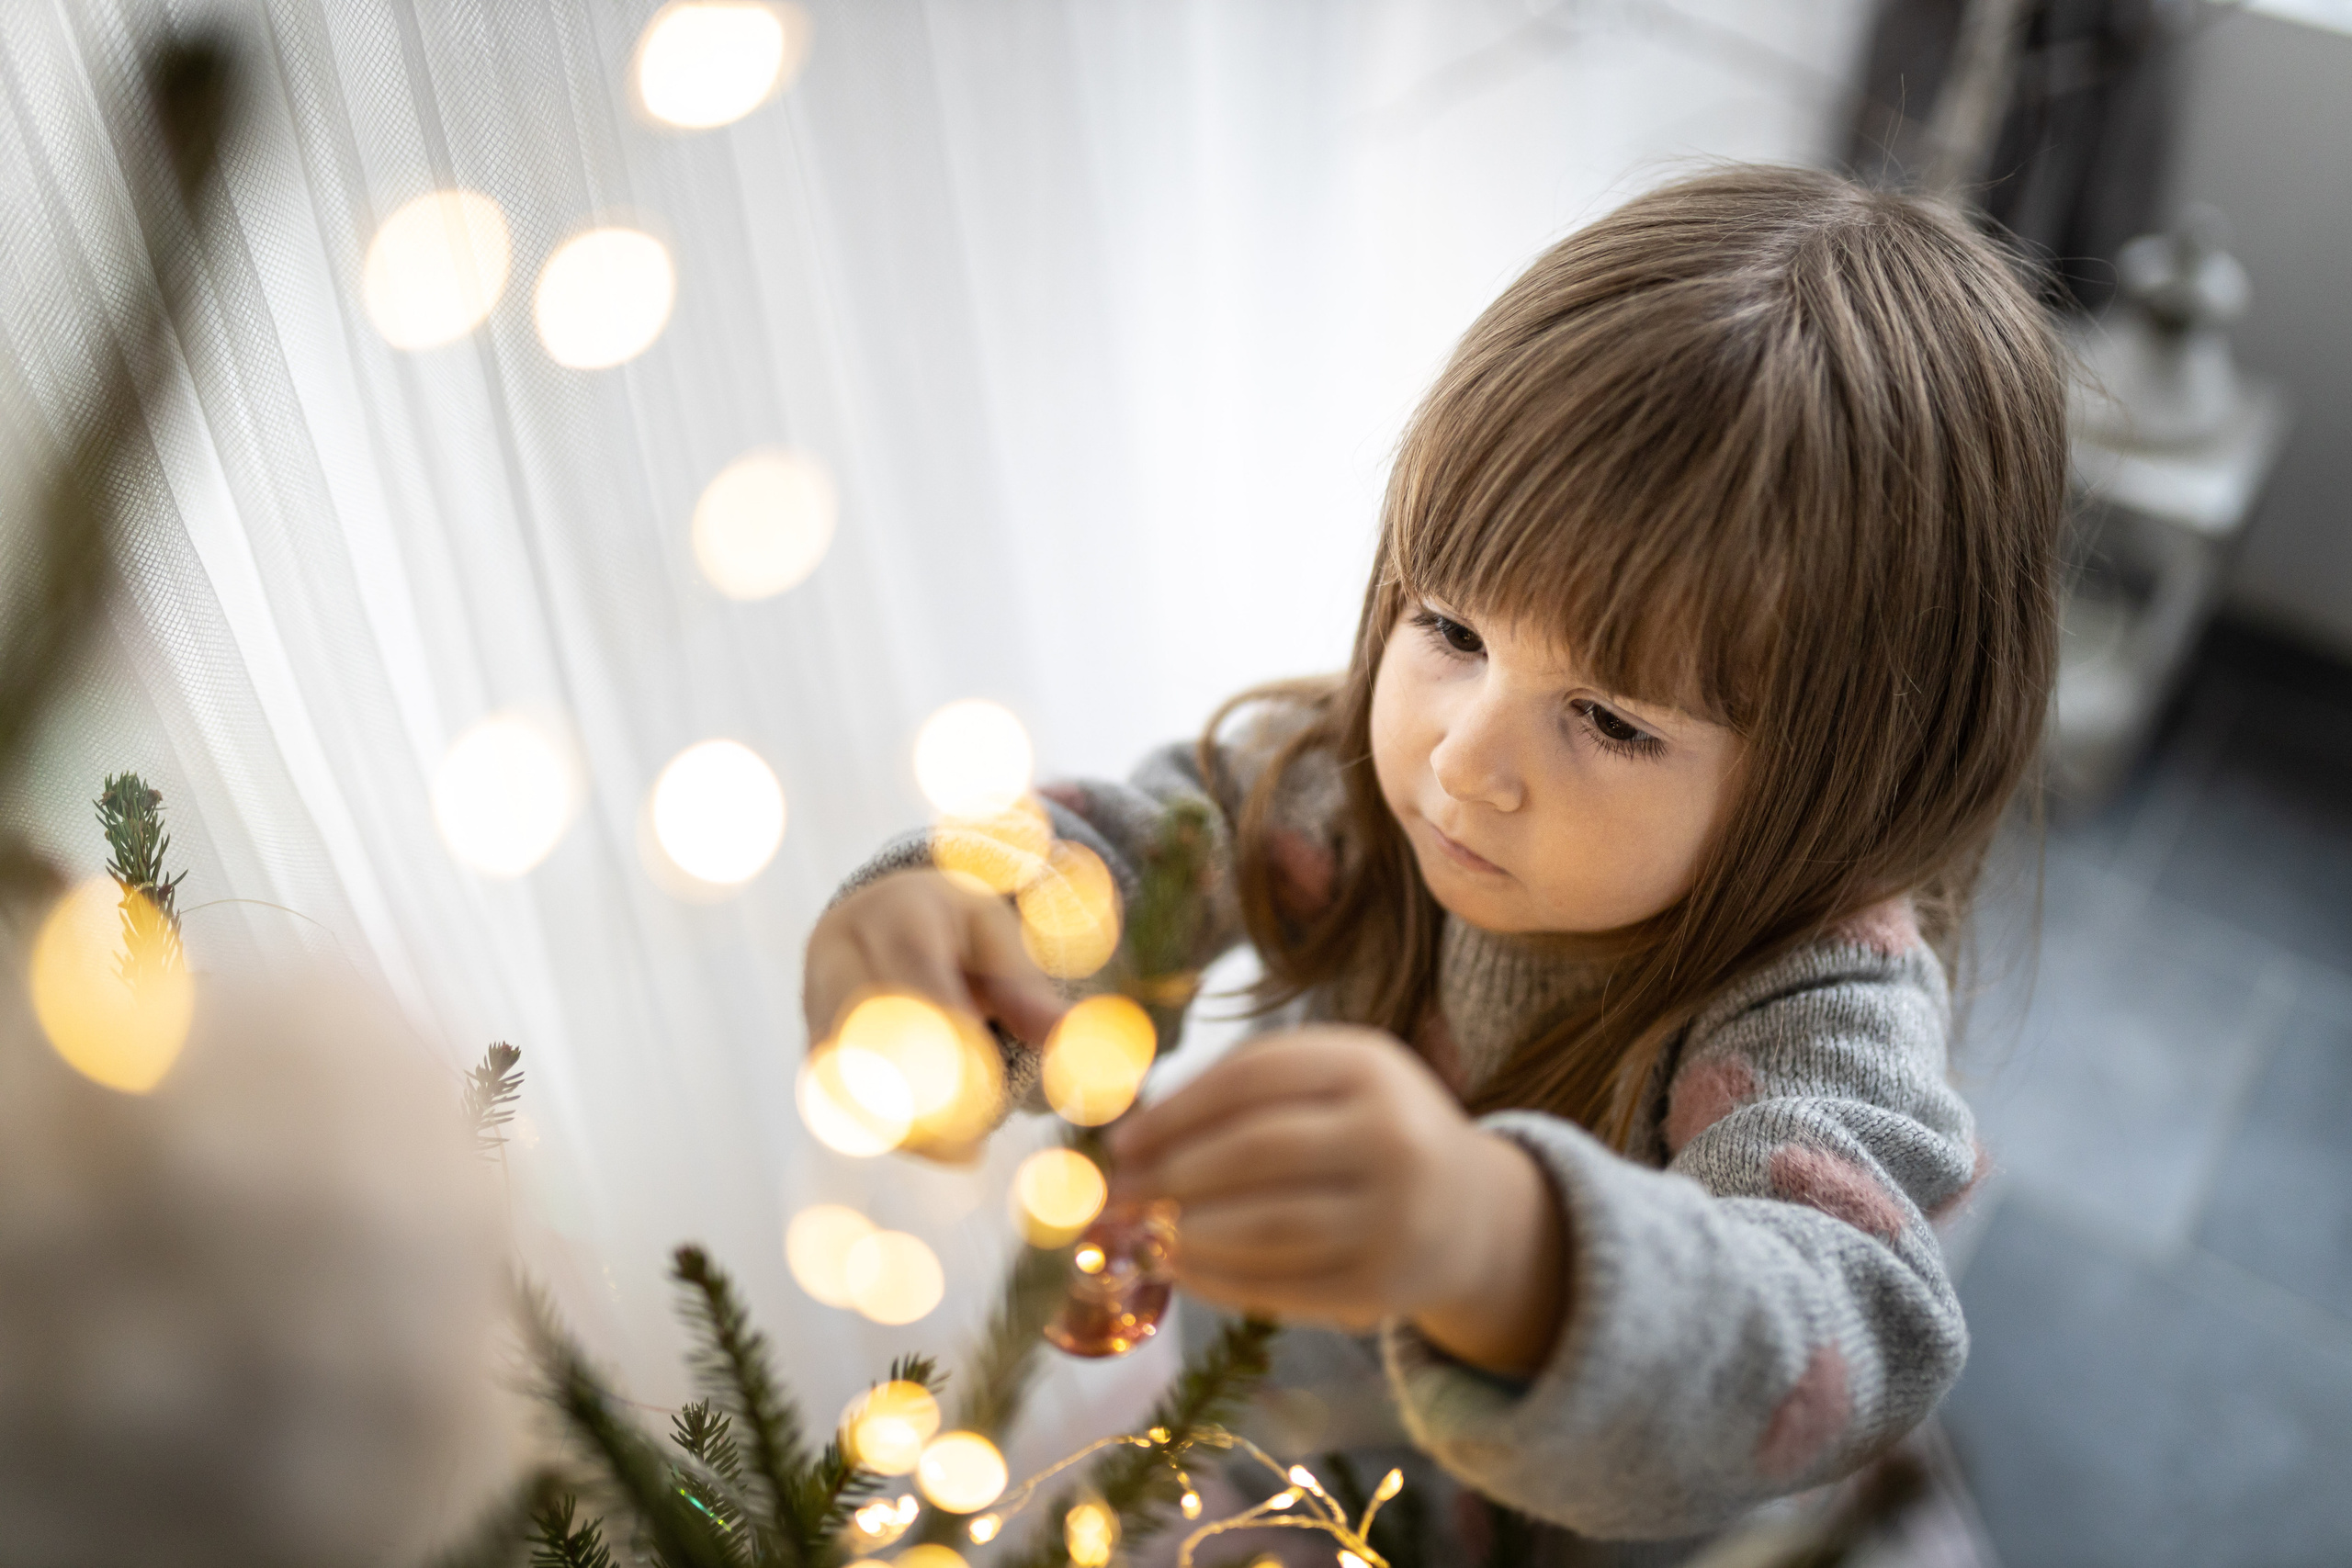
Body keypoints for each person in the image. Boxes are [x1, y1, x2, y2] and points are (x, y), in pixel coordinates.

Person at [804, 164, 2064, 1558]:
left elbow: (1842, 1325)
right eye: (1452, 630)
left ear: (1846, 775)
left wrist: (1502, 1246)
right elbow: (1141, 852)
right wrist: (962, 925)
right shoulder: (1343, 791)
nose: (1462, 762)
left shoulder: (1821, 1004)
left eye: (1606, 719)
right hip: (1276, 1441)